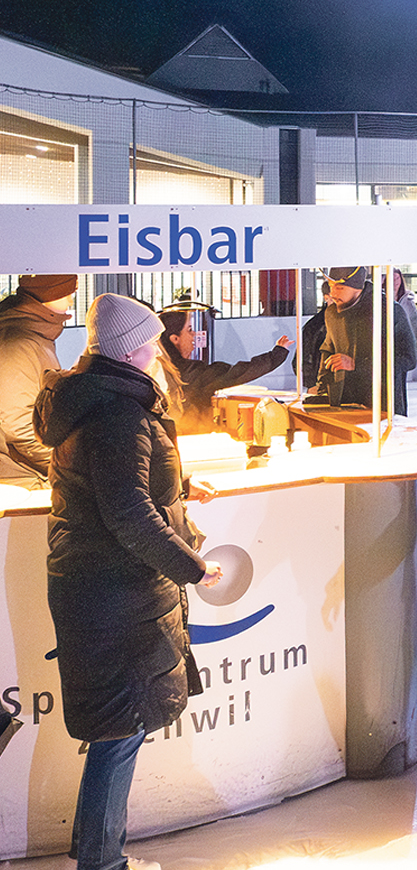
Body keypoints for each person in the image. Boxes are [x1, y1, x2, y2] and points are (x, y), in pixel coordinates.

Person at [35, 293, 224, 870]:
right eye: (152, 342)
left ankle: (95, 850)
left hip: (100, 586)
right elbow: (128, 513)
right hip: (115, 591)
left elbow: (113, 483)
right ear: (132, 350)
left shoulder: (96, 398)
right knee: (120, 733)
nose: (159, 351)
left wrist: (179, 487)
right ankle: (102, 863)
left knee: (114, 730)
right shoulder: (118, 411)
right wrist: (194, 566)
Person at [157, 310, 293, 434]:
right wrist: (277, 354)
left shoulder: (160, 368)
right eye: (189, 330)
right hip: (191, 435)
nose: (194, 335)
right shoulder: (191, 372)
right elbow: (238, 373)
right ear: (175, 339)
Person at [0, 273, 78, 487]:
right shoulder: (18, 343)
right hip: (23, 476)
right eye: (67, 293)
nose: (71, 301)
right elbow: (19, 427)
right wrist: (65, 466)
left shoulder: (34, 332)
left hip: (30, 468)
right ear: (48, 295)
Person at [316, 266, 416, 414]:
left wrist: (357, 364)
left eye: (340, 288)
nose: (333, 293)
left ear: (357, 287)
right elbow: (327, 350)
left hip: (382, 402)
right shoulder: (332, 313)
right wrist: (323, 389)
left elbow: (408, 358)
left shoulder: (388, 311)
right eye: (331, 287)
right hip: (343, 401)